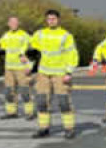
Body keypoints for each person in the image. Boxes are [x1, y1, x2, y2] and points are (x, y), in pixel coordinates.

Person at [30, 10, 79, 139]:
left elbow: (72, 54)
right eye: (49, 19)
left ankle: (69, 129)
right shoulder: (39, 34)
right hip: (43, 73)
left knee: (64, 102)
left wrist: (69, 72)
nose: (51, 21)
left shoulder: (66, 35)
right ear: (46, 20)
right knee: (41, 101)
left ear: (58, 20)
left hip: (60, 73)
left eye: (53, 18)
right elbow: (31, 50)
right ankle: (43, 128)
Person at [0, 16, 35, 121]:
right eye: (11, 22)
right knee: (9, 91)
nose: (14, 24)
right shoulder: (6, 35)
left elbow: (35, 51)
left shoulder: (24, 35)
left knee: (25, 91)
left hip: (21, 68)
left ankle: (29, 112)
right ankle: (11, 112)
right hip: (9, 68)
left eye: (15, 22)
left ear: (18, 23)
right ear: (8, 24)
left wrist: (29, 65)